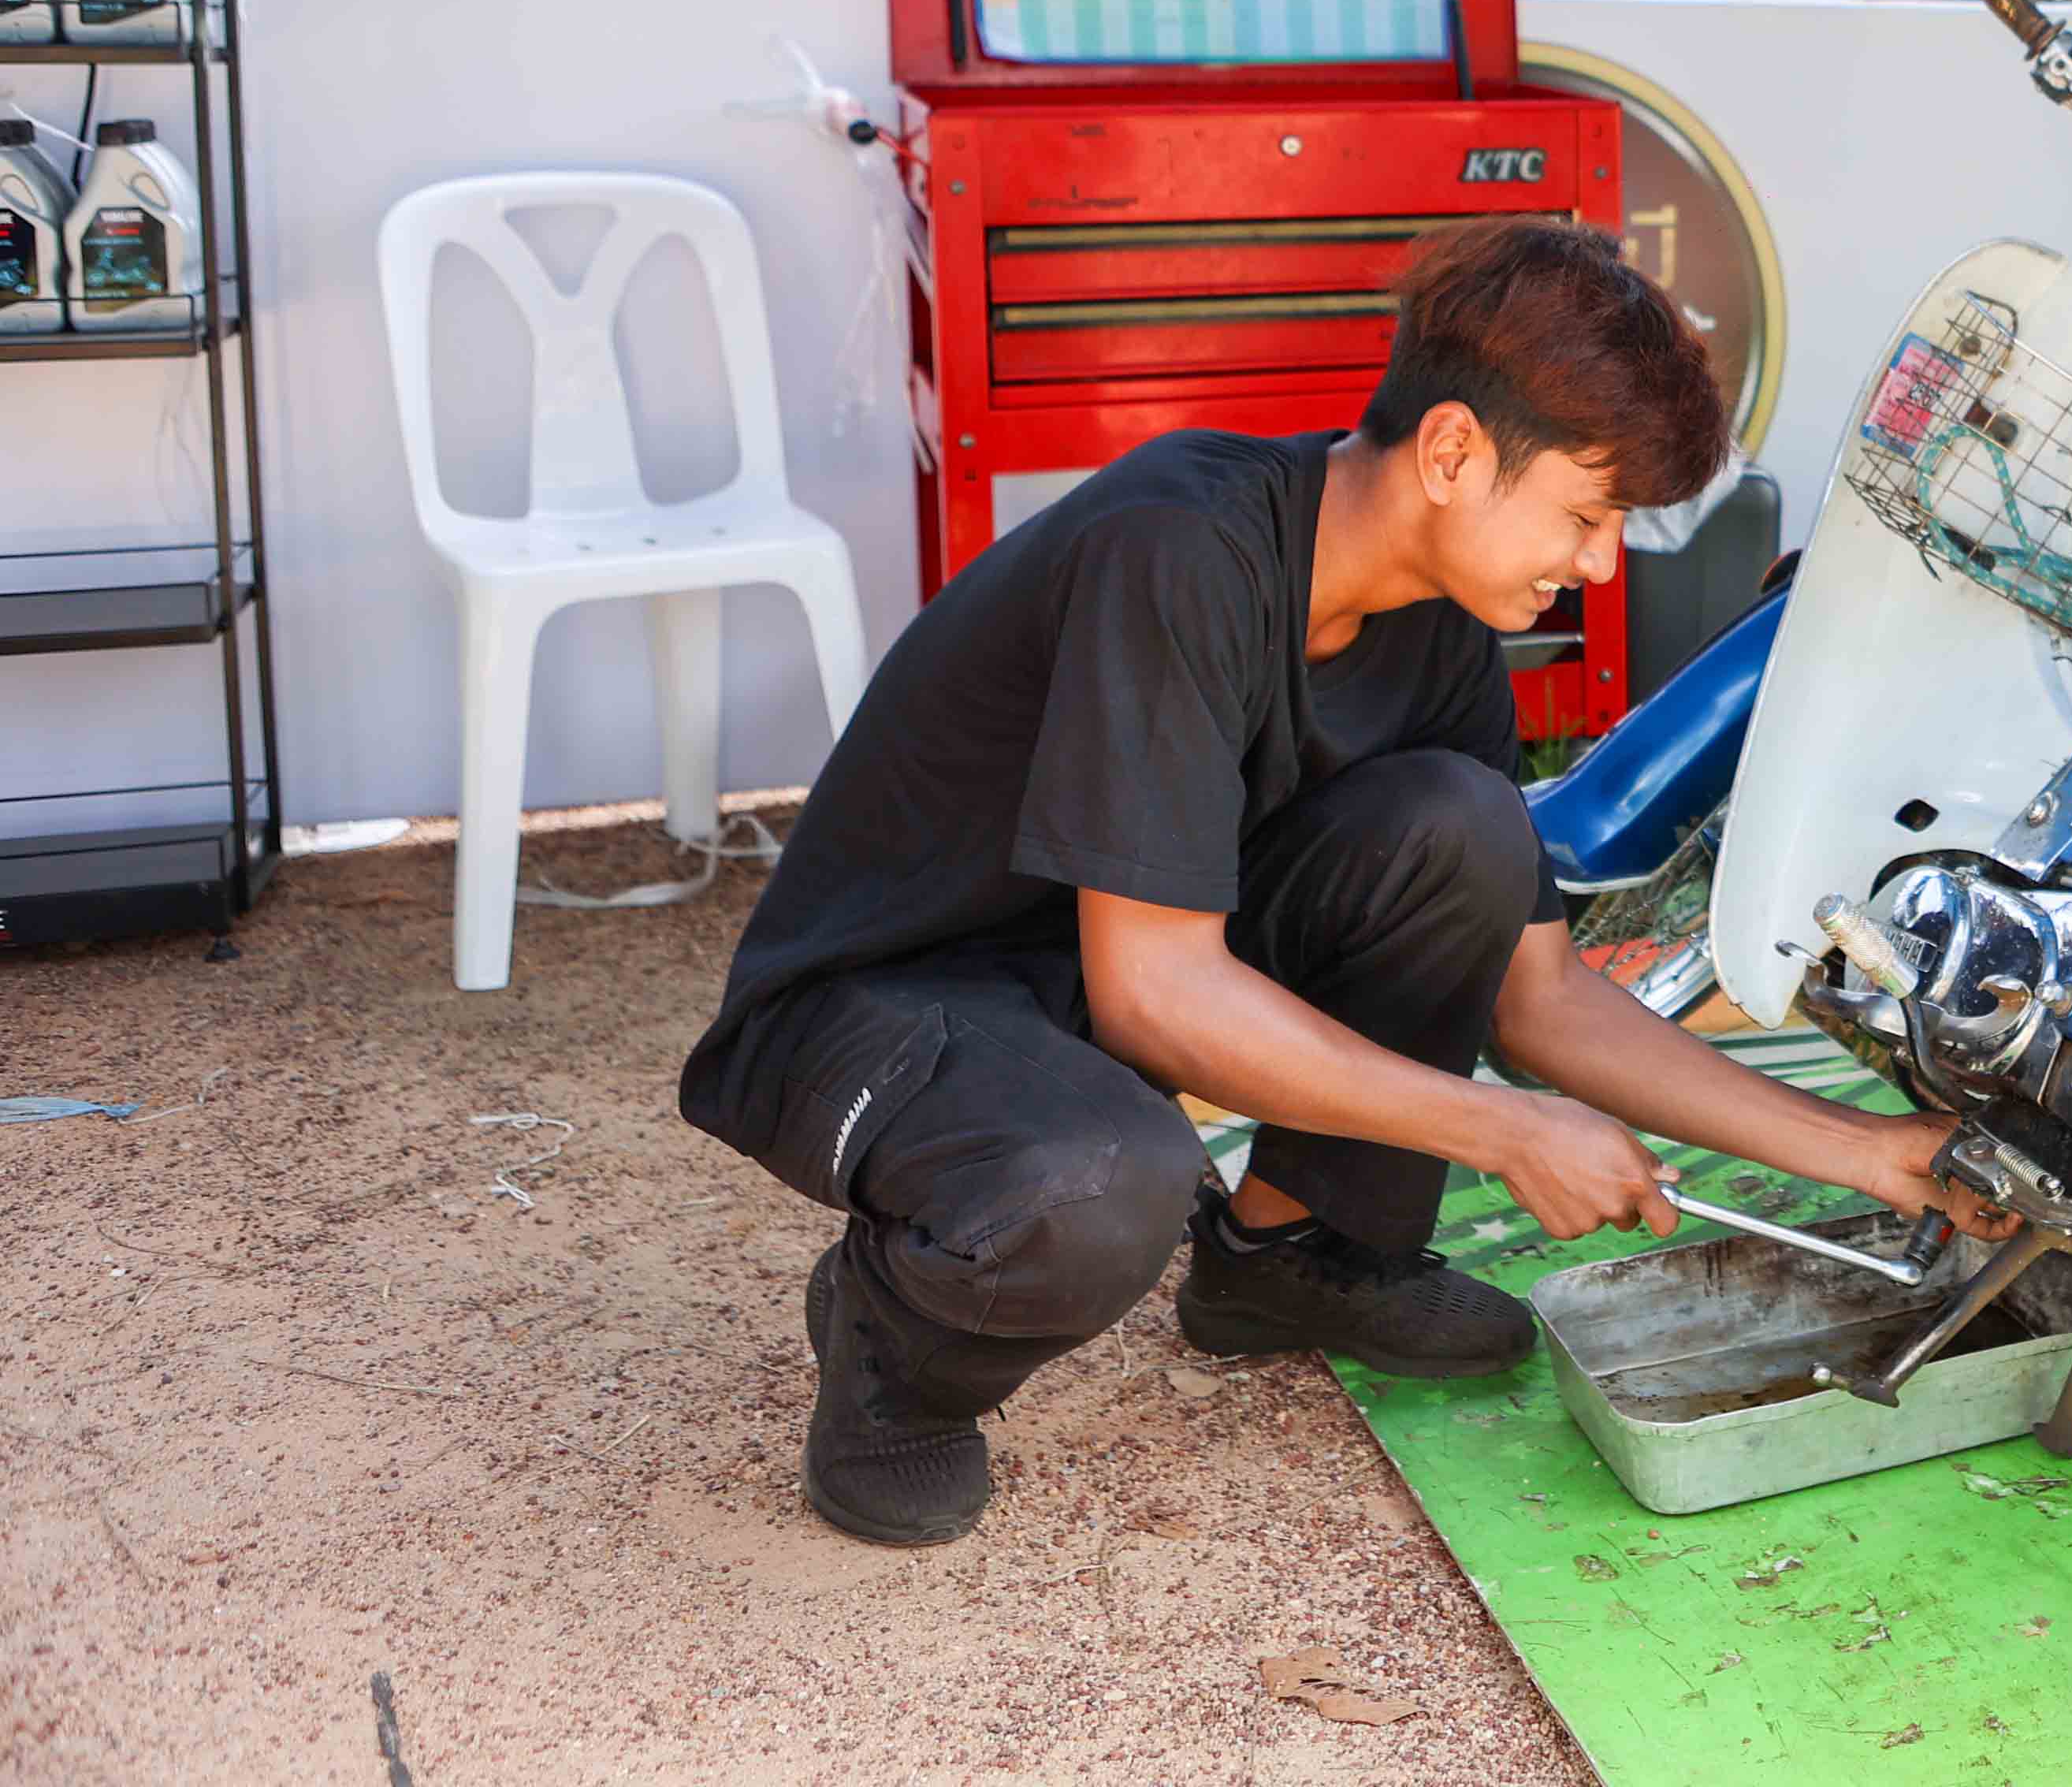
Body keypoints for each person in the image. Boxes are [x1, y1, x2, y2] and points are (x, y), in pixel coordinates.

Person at [680, 220, 2000, 1548]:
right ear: (1452, 453)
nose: (1601, 564)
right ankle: (896, 1351)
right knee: (1097, 1184)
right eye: (1585, 514)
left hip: (1084, 978)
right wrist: (1506, 1132)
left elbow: (1538, 998)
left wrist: (1869, 1153)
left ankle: (1286, 1256)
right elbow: (1155, 995)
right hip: (880, 1008)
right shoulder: (1179, 547)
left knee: (1464, 826)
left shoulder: (1437, 626)